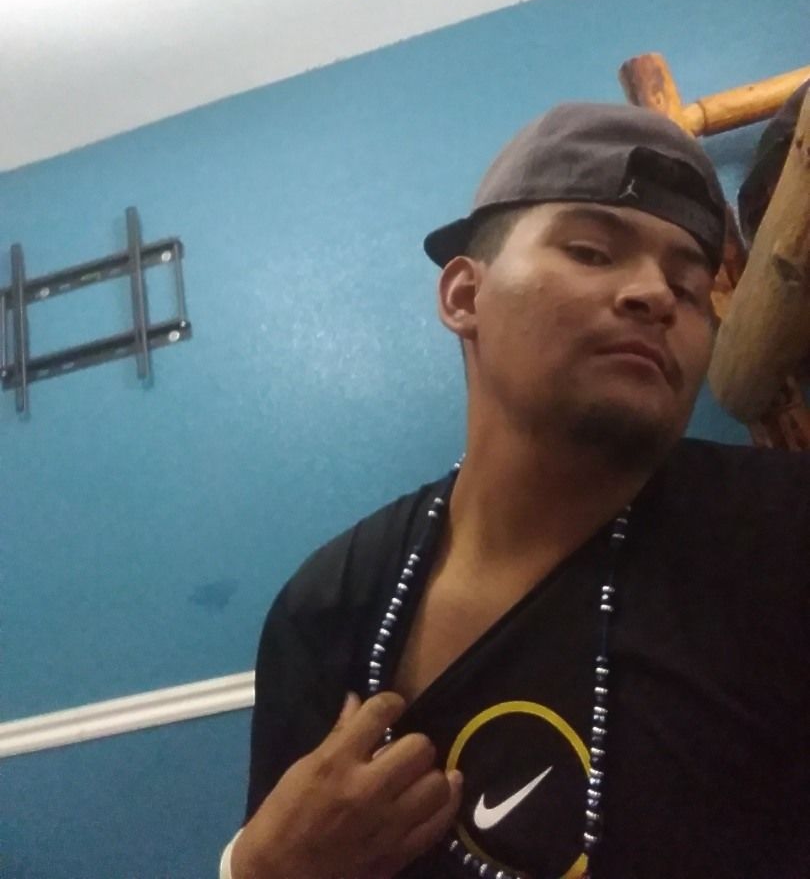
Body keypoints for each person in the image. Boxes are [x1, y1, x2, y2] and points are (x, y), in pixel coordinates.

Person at [221, 103, 810, 879]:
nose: (654, 294)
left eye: (690, 286)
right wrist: (258, 870)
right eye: (592, 251)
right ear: (464, 296)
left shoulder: (781, 536)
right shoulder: (331, 607)